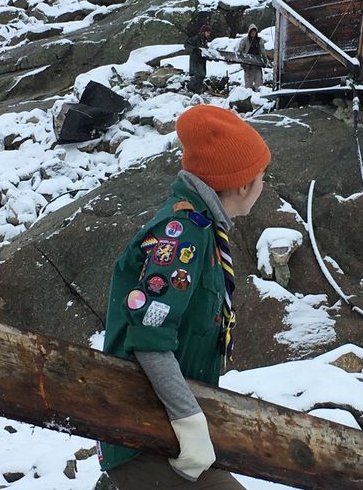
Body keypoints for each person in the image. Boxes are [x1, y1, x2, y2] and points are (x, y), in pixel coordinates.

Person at [97, 104, 271, 490]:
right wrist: (188, 421)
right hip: (143, 433)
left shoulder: (204, 229)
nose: (264, 183)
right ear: (243, 184)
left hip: (166, 425)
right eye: (262, 175)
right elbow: (149, 337)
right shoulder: (183, 235)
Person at [185, 24, 213, 94]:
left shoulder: (204, 41)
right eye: (207, 32)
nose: (209, 34)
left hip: (202, 61)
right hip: (195, 61)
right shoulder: (196, 38)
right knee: (200, 75)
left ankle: (196, 91)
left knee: (202, 76)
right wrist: (194, 49)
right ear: (203, 32)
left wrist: (210, 57)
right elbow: (186, 45)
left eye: (209, 33)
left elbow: (205, 51)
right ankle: (190, 87)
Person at [237, 24, 263, 91]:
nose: (253, 33)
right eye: (251, 31)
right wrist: (243, 62)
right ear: (249, 32)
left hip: (257, 66)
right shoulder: (244, 40)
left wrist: (264, 61)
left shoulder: (259, 40)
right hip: (248, 66)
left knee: (259, 85)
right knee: (248, 86)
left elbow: (263, 52)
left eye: (254, 31)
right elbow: (239, 52)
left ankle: (259, 96)